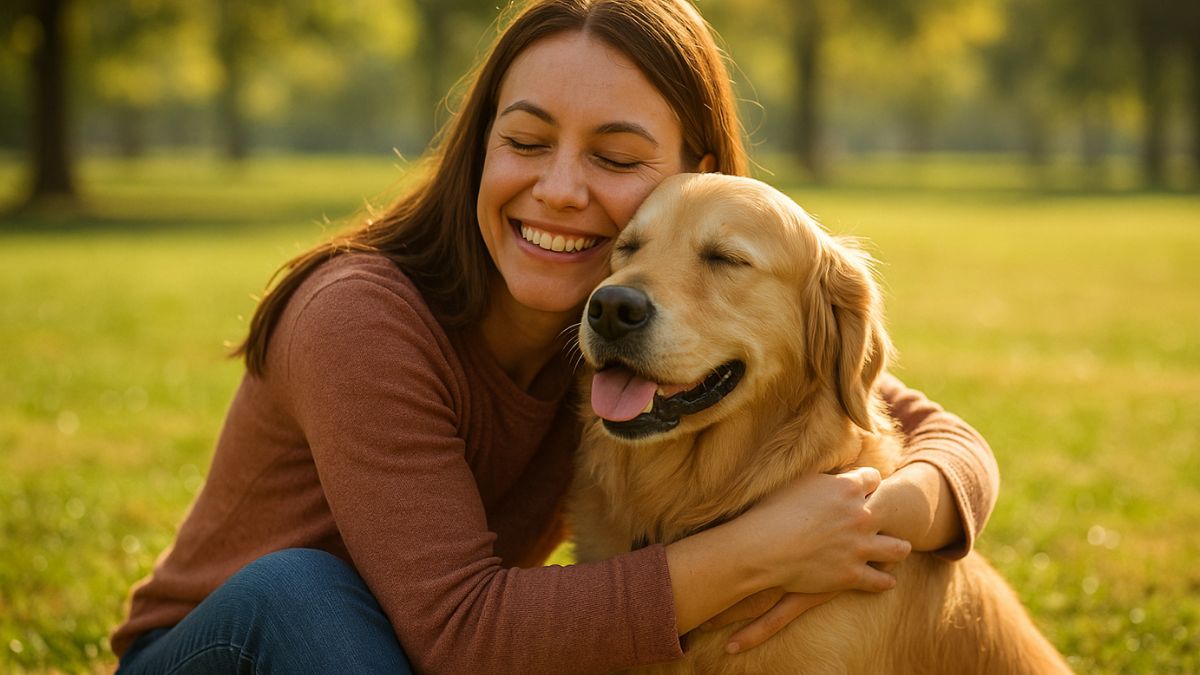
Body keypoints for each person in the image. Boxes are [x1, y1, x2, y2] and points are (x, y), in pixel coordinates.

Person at [111, 0, 999, 673]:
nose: (561, 190)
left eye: (615, 159)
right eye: (525, 140)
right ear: (479, 150)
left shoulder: (645, 334)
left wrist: (881, 513)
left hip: (418, 653)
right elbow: (463, 629)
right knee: (299, 588)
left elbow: (940, 435)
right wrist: (762, 550)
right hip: (235, 649)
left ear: (697, 178)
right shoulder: (360, 316)